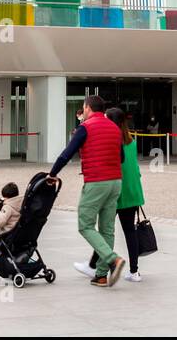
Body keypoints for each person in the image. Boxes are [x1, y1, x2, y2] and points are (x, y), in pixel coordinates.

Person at [46, 94, 125, 288]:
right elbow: (121, 157)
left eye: (84, 108)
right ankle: (100, 275)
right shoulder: (114, 128)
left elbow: (67, 153)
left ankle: (113, 259)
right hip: (115, 182)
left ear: (88, 108)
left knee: (85, 224)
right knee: (107, 229)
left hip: (97, 182)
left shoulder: (85, 128)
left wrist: (52, 173)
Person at [76, 107, 145, 283]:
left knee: (104, 230)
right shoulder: (131, 140)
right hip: (133, 189)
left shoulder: (113, 140)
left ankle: (94, 265)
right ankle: (134, 271)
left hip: (117, 189)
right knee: (129, 231)